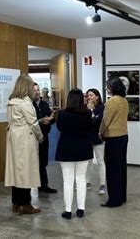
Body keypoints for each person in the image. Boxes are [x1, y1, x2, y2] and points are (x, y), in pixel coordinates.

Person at [5, 74, 43, 215]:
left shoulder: (11, 100)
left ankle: (16, 202)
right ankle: (25, 204)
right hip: (25, 138)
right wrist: (40, 136)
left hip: (13, 136)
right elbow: (33, 122)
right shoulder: (25, 102)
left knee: (16, 170)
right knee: (26, 170)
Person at [55, 89, 93, 219]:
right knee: (81, 180)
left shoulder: (61, 114)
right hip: (83, 149)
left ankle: (68, 211)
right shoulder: (87, 114)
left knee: (68, 181)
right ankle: (81, 209)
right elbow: (90, 128)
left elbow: (59, 128)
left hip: (66, 149)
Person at [99, 78, 129, 207]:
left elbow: (105, 120)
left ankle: (114, 200)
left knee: (112, 169)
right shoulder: (124, 100)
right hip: (123, 136)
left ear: (113, 87)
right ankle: (121, 196)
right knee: (121, 168)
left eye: (108, 87)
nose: (106, 89)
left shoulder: (112, 102)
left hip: (113, 137)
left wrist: (100, 132)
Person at [32, 83, 57, 194]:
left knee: (43, 161)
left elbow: (51, 118)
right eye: (35, 90)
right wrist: (41, 120)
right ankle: (35, 184)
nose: (37, 92)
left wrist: (51, 118)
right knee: (34, 162)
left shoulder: (44, 104)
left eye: (38, 90)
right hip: (33, 137)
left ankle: (43, 185)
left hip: (44, 136)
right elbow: (31, 121)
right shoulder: (29, 105)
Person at [85, 88, 106, 195]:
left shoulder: (101, 107)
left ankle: (103, 184)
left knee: (100, 161)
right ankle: (87, 182)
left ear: (97, 96)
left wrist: (91, 112)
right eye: (88, 95)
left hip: (98, 138)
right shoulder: (85, 108)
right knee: (88, 162)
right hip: (88, 138)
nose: (89, 97)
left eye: (91, 95)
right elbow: (85, 122)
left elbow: (96, 121)